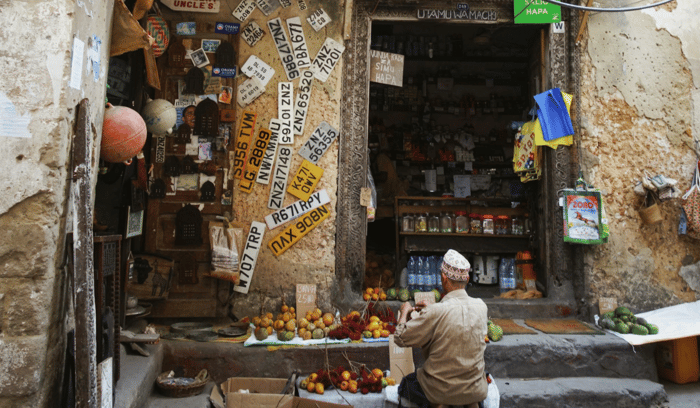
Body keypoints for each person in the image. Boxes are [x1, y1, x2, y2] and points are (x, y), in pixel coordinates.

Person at [394, 249, 488, 408]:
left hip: (440, 391)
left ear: (444, 278)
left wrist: (404, 312)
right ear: (467, 279)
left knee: (406, 383)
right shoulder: (481, 306)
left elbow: (400, 337)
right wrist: (434, 309)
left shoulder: (436, 311)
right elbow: (454, 314)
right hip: (474, 390)